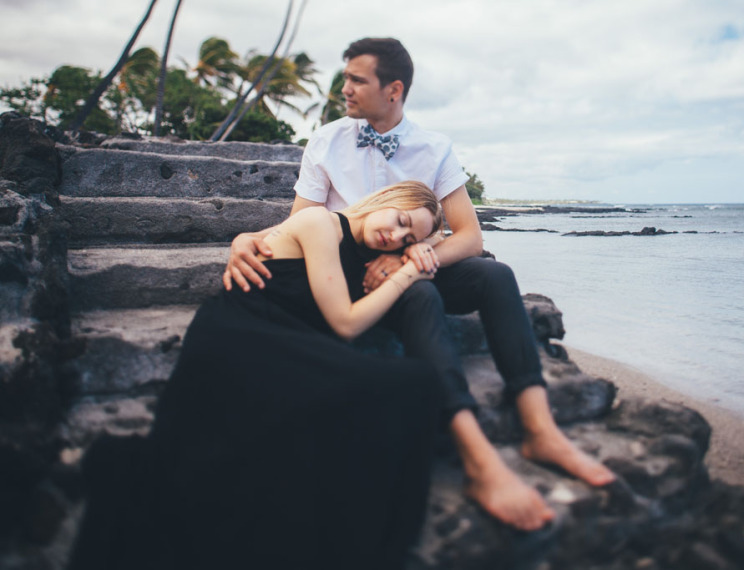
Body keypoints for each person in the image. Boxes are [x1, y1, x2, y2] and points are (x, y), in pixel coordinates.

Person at [223, 37, 615, 532]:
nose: (343, 88)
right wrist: (245, 238)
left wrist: (413, 253)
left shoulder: (434, 148)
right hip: (345, 272)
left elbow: (470, 236)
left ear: (394, 90)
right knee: (420, 291)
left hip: (414, 257)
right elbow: (296, 224)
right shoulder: (325, 141)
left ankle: (540, 428)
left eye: (355, 79)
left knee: (497, 275)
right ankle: (475, 456)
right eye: (345, 78)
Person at [69, 182, 445, 570]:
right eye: (400, 221)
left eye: (407, 238)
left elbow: (450, 241)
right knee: (410, 383)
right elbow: (346, 324)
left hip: (285, 339)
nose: (396, 236)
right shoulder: (319, 221)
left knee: (412, 383)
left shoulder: (371, 249)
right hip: (239, 335)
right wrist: (410, 274)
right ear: (385, 200)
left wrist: (416, 251)